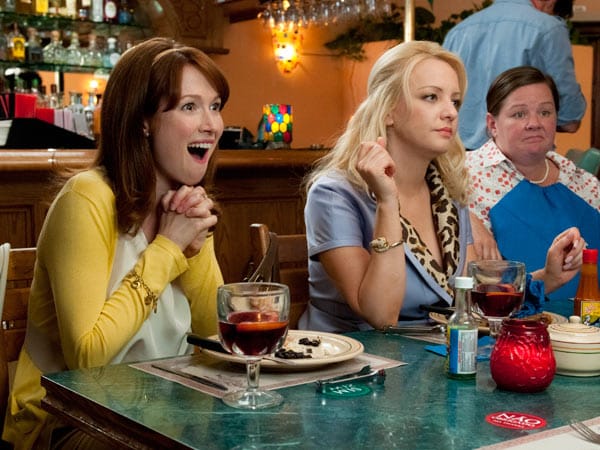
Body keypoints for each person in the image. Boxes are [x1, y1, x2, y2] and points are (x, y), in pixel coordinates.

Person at [2, 37, 229, 449]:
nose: (211, 125)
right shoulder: (86, 198)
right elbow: (89, 362)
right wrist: (167, 249)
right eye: (189, 106)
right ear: (143, 120)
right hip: (70, 420)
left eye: (215, 106)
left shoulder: (186, 205)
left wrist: (192, 250)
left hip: (164, 408)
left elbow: (217, 337)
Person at [297, 41, 584, 333]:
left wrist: (548, 277)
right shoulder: (333, 194)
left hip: (434, 352)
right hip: (354, 358)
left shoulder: (447, 192)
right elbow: (381, 315)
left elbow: (474, 299)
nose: (450, 112)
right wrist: (387, 202)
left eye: (455, 101)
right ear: (388, 111)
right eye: (431, 97)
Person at [467, 65, 600, 302]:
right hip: (502, 317)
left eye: (545, 112)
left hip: (586, 320)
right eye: (519, 114)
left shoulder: (584, 184)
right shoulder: (460, 176)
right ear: (492, 124)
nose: (534, 123)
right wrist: (465, 218)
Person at [442, 0, 586, 151]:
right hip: (519, 158)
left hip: (457, 157)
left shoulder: (457, 32)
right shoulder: (548, 28)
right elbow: (570, 119)